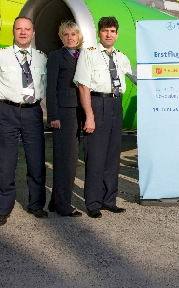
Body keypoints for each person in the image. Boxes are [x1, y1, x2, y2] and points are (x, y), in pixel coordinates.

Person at [0, 16, 47, 226]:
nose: (23, 32)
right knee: (4, 163)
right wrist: (2, 101)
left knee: (36, 162)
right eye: (19, 29)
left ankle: (36, 204)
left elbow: (44, 86)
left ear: (33, 32)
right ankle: (2, 209)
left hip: (33, 113)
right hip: (7, 112)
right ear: (13, 31)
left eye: (27, 29)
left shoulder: (41, 58)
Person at [73, 16, 132, 218]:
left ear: (117, 34)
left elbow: (137, 77)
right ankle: (93, 203)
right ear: (99, 33)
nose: (109, 34)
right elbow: (83, 86)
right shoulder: (89, 54)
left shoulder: (121, 57)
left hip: (116, 104)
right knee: (95, 156)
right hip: (98, 104)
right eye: (105, 30)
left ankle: (109, 200)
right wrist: (89, 116)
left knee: (112, 156)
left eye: (113, 31)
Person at [46, 21, 85, 217]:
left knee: (70, 157)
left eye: (73, 34)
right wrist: (53, 116)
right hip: (63, 113)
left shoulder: (83, 56)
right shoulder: (56, 56)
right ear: (61, 37)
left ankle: (55, 201)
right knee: (66, 160)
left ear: (79, 37)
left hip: (78, 112)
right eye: (66, 35)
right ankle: (63, 204)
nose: (70, 38)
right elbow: (50, 88)